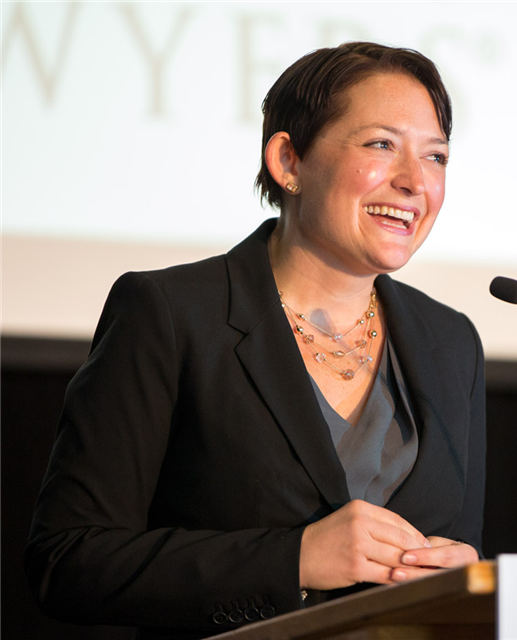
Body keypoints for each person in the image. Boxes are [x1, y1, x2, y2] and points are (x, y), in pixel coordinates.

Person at [25, 42, 486, 639]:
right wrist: (291, 559)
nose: (413, 182)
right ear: (289, 160)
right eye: (380, 145)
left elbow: (462, 545)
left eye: (436, 157)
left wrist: (460, 574)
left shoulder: (451, 342)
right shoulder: (170, 315)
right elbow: (67, 561)